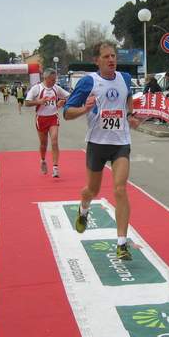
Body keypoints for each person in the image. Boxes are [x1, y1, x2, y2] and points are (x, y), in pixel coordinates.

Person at [63, 42, 142, 260]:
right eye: (106, 56)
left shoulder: (125, 78)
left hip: (120, 143)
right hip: (97, 143)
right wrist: (85, 109)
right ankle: (83, 208)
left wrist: (130, 115)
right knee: (92, 190)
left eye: (113, 56)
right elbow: (67, 112)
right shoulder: (89, 82)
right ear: (97, 60)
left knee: (119, 189)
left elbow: (127, 98)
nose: (111, 60)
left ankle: (121, 244)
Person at [25, 68, 70, 178]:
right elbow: (27, 102)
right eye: (52, 80)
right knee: (43, 144)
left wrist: (63, 101)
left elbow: (69, 96)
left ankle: (55, 167)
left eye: (55, 80)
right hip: (41, 119)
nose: (54, 82)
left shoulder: (56, 88)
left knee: (54, 141)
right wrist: (38, 102)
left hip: (53, 117)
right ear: (45, 78)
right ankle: (43, 160)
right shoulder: (37, 88)